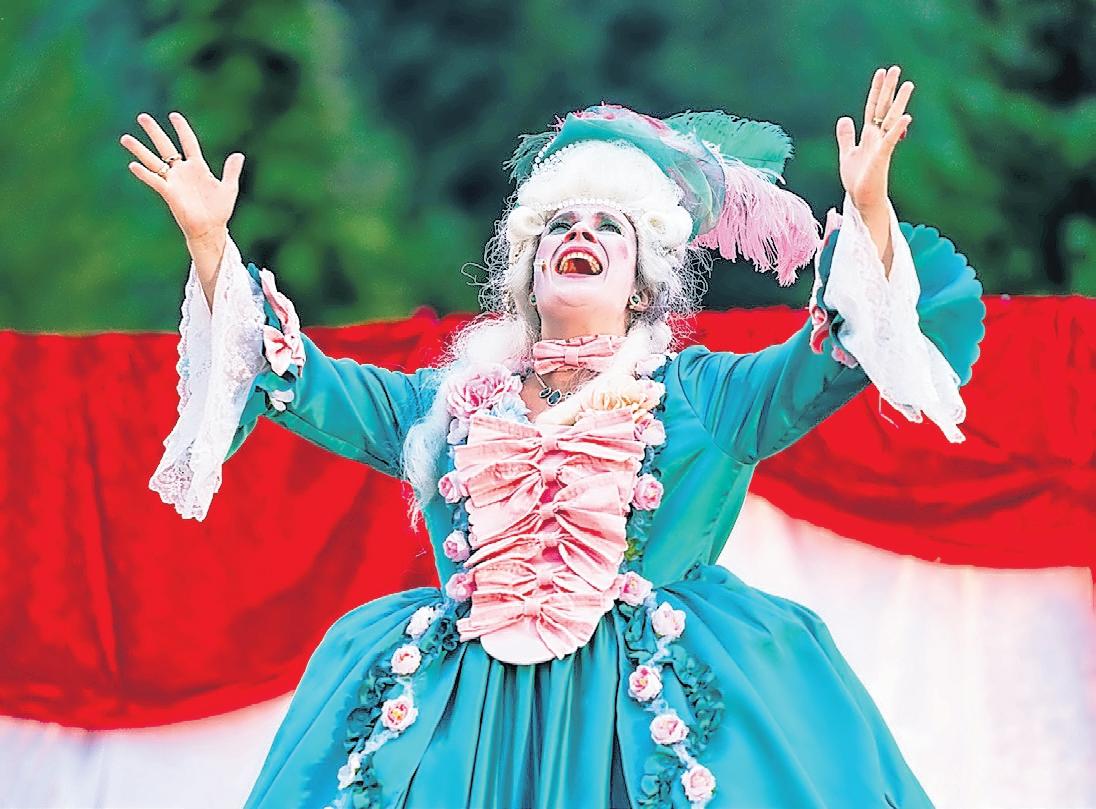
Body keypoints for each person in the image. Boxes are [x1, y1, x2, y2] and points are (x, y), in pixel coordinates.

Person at [122, 64, 984, 808]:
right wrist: (211, 244)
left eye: (609, 227)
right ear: (529, 271)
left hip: (635, 724)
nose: (580, 234)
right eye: (560, 226)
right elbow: (297, 375)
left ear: (642, 285)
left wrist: (869, 210)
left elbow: (825, 357)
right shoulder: (449, 406)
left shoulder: (700, 395)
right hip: (466, 729)